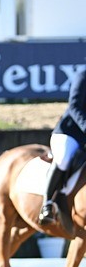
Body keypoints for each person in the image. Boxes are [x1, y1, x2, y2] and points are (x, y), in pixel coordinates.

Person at [39, 68, 86, 227]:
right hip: (69, 133)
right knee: (64, 158)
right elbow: (74, 106)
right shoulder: (83, 76)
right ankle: (47, 203)